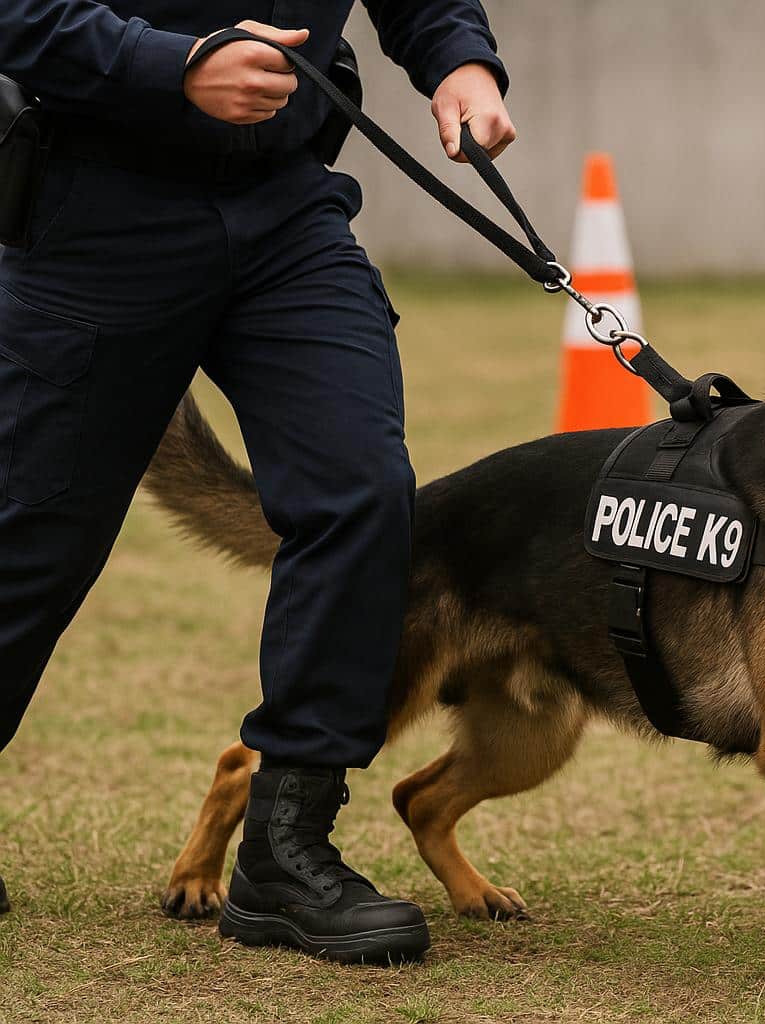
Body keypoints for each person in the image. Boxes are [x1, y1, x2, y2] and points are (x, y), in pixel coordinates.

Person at [0, 2, 518, 964]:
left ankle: (286, 852)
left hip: (286, 211)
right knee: (31, 535)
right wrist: (172, 65)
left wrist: (458, 59)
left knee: (362, 491)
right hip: (95, 211)